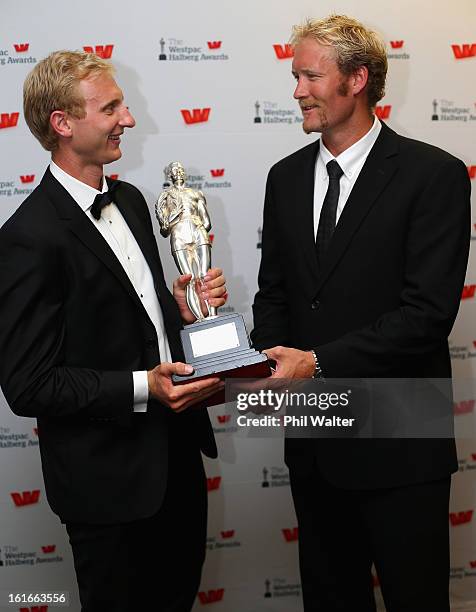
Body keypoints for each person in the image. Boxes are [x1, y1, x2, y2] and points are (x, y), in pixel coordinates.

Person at [251, 15, 471, 612]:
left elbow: (426, 315)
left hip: (401, 435)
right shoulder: (285, 177)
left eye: (310, 75)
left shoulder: (436, 176)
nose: (296, 89)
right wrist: (268, 356)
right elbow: (275, 294)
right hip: (315, 433)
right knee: (329, 598)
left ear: (357, 79)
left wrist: (315, 363)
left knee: (415, 597)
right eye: (294, 75)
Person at [0, 50, 228, 612]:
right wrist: (143, 387)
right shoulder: (28, 236)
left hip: (177, 460)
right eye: (112, 108)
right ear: (63, 123)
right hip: (108, 485)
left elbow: (137, 321)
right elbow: (29, 384)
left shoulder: (128, 200)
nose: (129, 119)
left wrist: (179, 308)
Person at [156, 161, 215, 320]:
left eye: (181, 170)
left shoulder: (196, 193)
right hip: (179, 236)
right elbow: (164, 229)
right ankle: (199, 320)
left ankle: (213, 316)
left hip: (197, 232)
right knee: (189, 280)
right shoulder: (165, 197)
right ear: (170, 175)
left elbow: (207, 221)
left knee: (205, 276)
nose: (179, 172)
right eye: (175, 170)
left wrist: (199, 228)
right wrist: (175, 218)